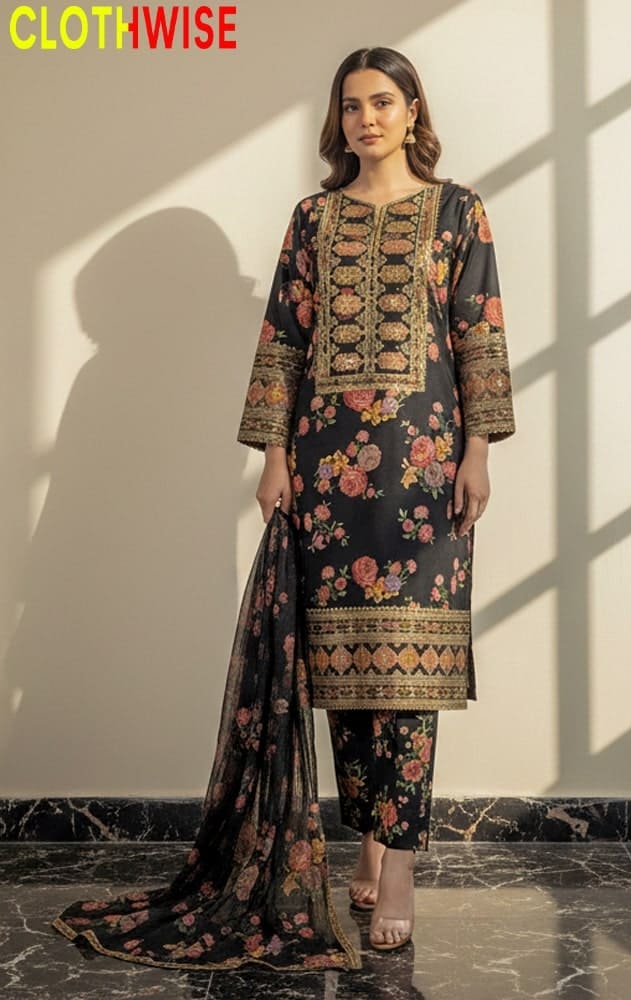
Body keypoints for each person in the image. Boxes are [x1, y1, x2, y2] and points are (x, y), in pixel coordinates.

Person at [237, 45, 516, 953]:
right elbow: (283, 338)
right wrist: (273, 453)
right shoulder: (313, 218)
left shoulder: (457, 213)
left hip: (425, 467)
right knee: (347, 676)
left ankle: (396, 865)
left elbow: (479, 335)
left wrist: (478, 450)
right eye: (352, 105)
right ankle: (366, 840)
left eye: (383, 101)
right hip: (325, 469)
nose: (366, 118)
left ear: (412, 110)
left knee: (411, 674)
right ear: (339, 119)